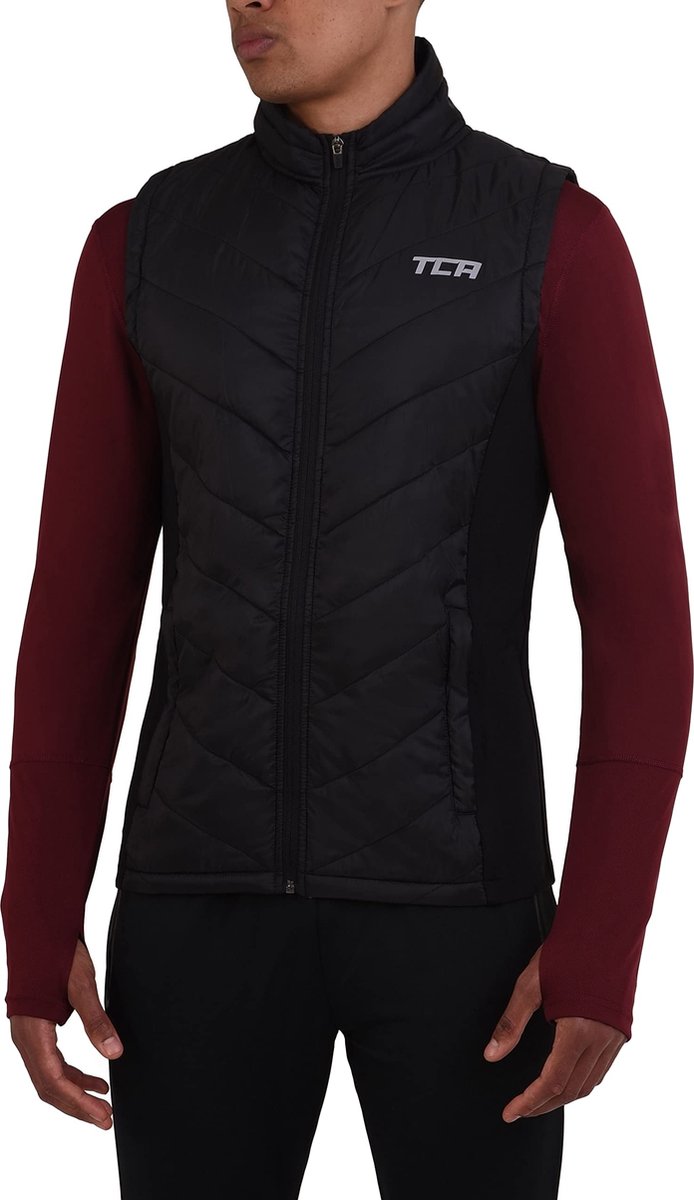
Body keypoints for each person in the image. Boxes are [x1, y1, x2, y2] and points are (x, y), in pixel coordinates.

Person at [2, 3, 692, 1198]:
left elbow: (640, 625)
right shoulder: (146, 243)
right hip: (194, 907)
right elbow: (76, 612)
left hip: (465, 923)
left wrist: (600, 940)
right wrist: (36, 909)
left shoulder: (548, 237)